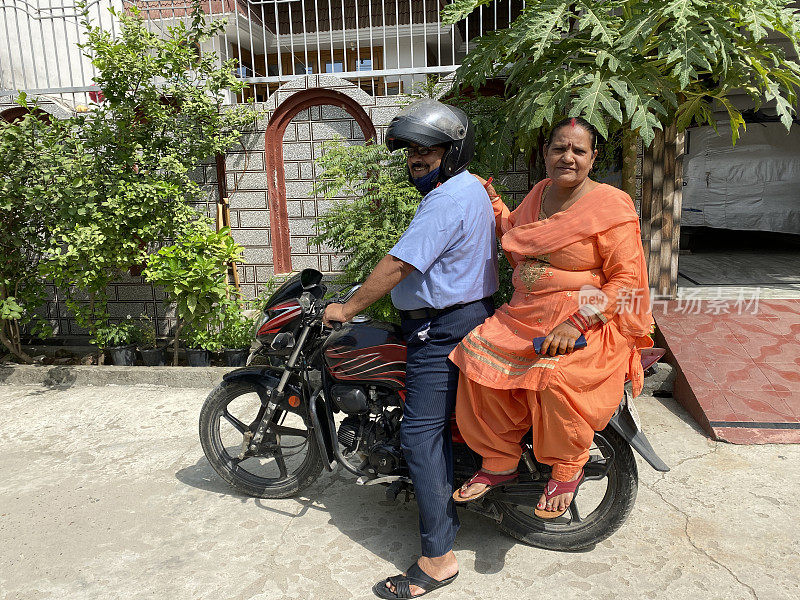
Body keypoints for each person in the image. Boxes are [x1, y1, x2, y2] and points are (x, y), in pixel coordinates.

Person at [323, 99, 497, 599]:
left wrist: (349, 306)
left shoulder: (446, 199)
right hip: (453, 318)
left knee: (420, 436)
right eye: (410, 151)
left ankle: (438, 559)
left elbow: (400, 265)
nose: (415, 158)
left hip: (441, 329)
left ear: (453, 149)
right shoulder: (467, 189)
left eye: (427, 149)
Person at [449, 116, 654, 518]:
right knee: (473, 357)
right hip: (527, 313)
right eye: (560, 148)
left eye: (579, 150)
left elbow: (627, 279)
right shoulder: (541, 192)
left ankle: (567, 464)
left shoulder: (611, 205)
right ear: (546, 154)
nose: (568, 157)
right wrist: (490, 198)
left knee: (555, 376)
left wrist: (577, 322)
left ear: (593, 158)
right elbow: (517, 231)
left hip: (587, 317)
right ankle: (500, 458)